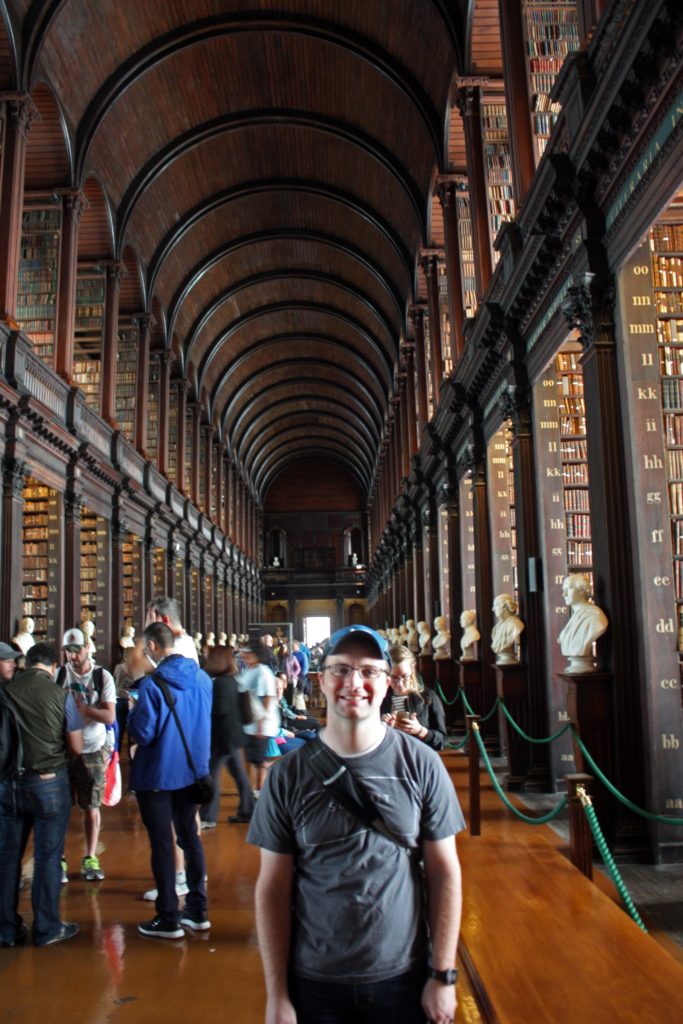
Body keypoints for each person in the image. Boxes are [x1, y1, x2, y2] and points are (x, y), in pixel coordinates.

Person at [248, 624, 464, 1024]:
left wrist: (443, 974)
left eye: (368, 671)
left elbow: (444, 872)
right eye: (341, 669)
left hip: (403, 976)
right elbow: (273, 888)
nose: (355, 682)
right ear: (321, 679)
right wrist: (276, 993)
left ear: (387, 683)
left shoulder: (422, 765)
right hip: (314, 980)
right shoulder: (287, 776)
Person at [127, 622, 212, 938]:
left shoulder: (151, 687)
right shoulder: (204, 680)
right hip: (192, 774)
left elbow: (143, 733)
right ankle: (198, 910)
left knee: (163, 844)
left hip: (158, 776)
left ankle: (168, 917)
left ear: (152, 647)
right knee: (190, 839)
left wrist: (134, 710)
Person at [0, 642, 83, 946]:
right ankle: (47, 928)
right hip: (48, 782)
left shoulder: (6, 690)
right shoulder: (61, 695)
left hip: (8, 784)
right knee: (47, 856)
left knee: (7, 857)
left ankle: (5, 929)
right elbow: (75, 746)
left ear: (27, 662)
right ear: (54, 666)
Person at [58, 627, 116, 882]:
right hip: (65, 747)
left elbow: (109, 716)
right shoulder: (59, 675)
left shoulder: (103, 677)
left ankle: (90, 858)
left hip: (93, 746)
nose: (71, 656)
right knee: (60, 806)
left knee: (91, 806)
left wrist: (83, 710)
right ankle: (58, 859)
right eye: (67, 651)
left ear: (87, 648)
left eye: (76, 650)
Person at [199, 645, 255, 827]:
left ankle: (208, 817)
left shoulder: (221, 684)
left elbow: (219, 711)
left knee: (213, 776)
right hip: (235, 736)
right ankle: (248, 810)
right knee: (239, 775)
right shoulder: (235, 680)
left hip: (223, 738)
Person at [381, 645, 448, 751]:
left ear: (412, 673)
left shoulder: (428, 697)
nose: (399, 683)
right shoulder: (379, 699)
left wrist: (420, 731)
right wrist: (383, 727)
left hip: (419, 758)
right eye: (394, 677)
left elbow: (442, 741)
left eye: (405, 676)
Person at [238, 640, 280, 793]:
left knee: (259, 760)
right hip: (250, 723)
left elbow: (268, 698)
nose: (243, 655)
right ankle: (253, 790)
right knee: (252, 759)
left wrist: (261, 725)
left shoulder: (263, 672)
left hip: (260, 724)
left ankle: (258, 791)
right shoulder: (249, 669)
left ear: (256, 655)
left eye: (247, 652)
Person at [558, 573, 608, 671]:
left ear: (582, 590)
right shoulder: (574, 617)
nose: (564, 594)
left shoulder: (594, 617)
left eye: (569, 589)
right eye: (563, 590)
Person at [145, 596, 198, 662]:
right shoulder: (185, 641)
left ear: (165, 620)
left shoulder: (173, 649)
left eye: (151, 619)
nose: (148, 623)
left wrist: (147, 634)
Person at [490, 594, 524, 664]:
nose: (493, 609)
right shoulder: (496, 628)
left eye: (496, 605)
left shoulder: (515, 625)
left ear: (505, 607)